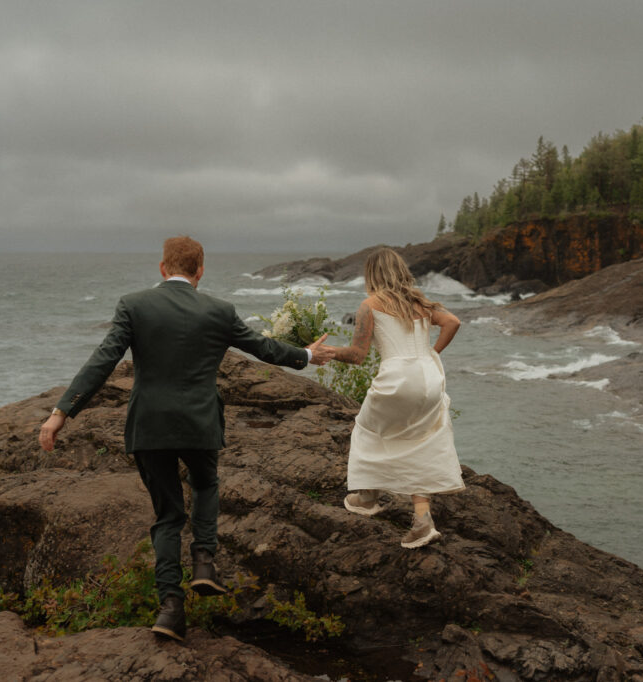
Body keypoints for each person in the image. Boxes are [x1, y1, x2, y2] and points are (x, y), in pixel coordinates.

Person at [37, 236, 333, 641]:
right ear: (200, 271)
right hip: (199, 424)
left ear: (163, 268)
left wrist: (61, 414)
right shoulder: (219, 310)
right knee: (206, 482)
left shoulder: (133, 305)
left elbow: (102, 361)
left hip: (150, 427)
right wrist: (307, 356)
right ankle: (205, 561)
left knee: (169, 516)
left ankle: (171, 609)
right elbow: (262, 348)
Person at [323, 248, 464, 548]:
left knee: (367, 429)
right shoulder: (420, 301)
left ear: (372, 275)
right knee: (422, 440)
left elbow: (358, 355)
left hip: (397, 378)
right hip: (429, 377)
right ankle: (422, 520)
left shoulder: (369, 305)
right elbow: (453, 322)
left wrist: (329, 352)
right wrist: (432, 353)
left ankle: (367, 496)